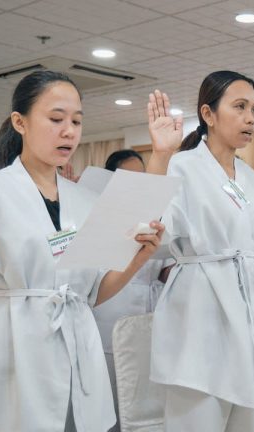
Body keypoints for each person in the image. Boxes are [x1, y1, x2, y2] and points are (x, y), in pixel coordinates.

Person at [0, 72, 171, 432]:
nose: (69, 131)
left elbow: (91, 293)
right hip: (8, 350)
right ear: (20, 122)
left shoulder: (85, 200)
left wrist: (136, 260)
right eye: (56, 119)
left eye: (76, 121)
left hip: (76, 349)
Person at [150, 70, 254, 432]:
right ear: (208, 114)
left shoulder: (252, 180)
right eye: (239, 107)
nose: (250, 117)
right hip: (198, 312)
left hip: (249, 310)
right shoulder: (180, 166)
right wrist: (160, 156)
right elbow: (148, 228)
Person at [93, 146, 170, 432]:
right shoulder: (100, 214)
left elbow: (164, 265)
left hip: (149, 310)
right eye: (129, 177)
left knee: (144, 392)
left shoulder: (155, 217)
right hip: (111, 309)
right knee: (114, 387)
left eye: (142, 175)